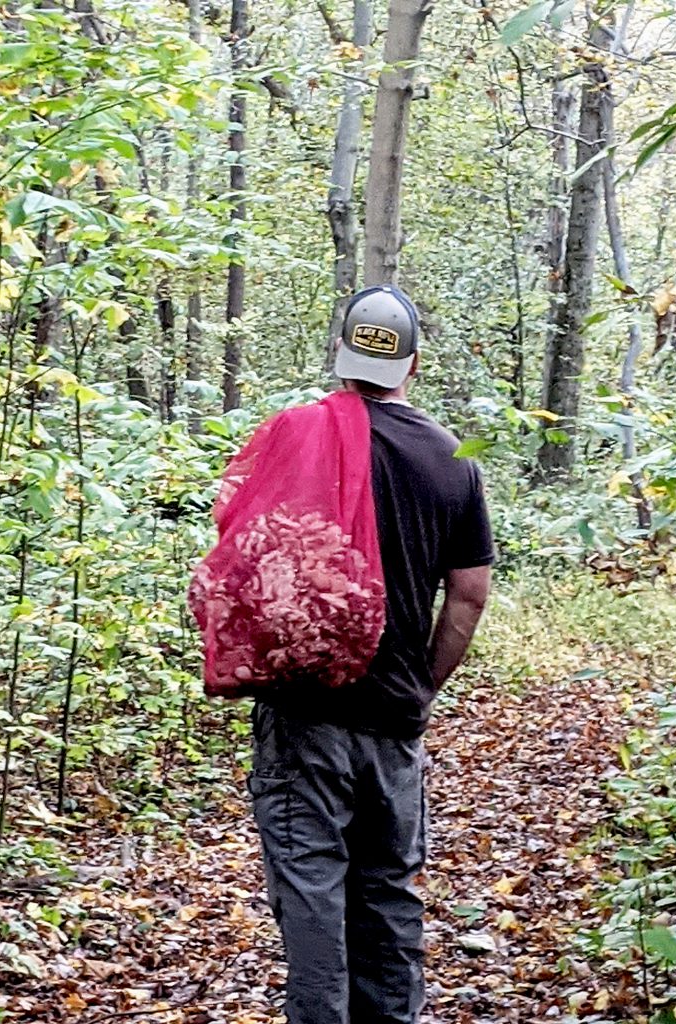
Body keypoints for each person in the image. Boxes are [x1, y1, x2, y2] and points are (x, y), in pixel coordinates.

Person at [248, 285, 494, 1024]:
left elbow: (249, 565)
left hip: (304, 717)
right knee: (388, 890)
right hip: (394, 718)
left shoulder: (296, 435)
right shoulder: (453, 458)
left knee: (314, 896)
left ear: (342, 357)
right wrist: (421, 681)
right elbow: (469, 593)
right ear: (412, 365)